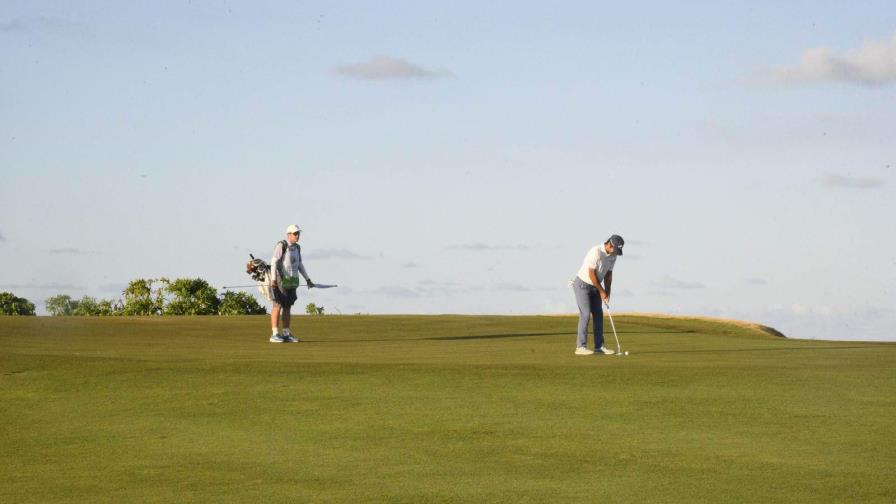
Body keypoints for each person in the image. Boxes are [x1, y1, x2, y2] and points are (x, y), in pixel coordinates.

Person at [573, 234, 624, 355]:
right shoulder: (595, 252)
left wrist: (607, 293)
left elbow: (608, 276)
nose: (615, 253)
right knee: (586, 313)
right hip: (582, 285)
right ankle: (580, 347)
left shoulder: (613, 256)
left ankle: (599, 347)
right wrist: (601, 291)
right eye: (615, 249)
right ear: (609, 245)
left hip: (596, 286)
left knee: (598, 314)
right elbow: (591, 275)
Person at [270, 224, 314, 343]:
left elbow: (299, 264)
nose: (297, 235)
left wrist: (308, 279)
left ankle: (286, 333)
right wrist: (273, 279)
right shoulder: (282, 245)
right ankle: (274, 334)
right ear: (288, 234)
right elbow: (274, 262)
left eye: (298, 233)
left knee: (288, 307)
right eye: (295, 233)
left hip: (292, 281)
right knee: (277, 305)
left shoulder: (298, 248)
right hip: (280, 280)